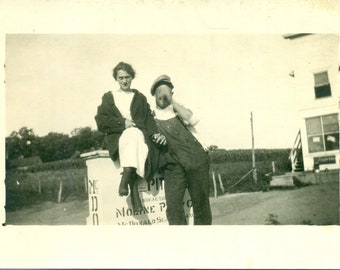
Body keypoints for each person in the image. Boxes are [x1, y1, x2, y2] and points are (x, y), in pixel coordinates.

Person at [95, 62, 166, 212]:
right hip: (118, 139)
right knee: (132, 134)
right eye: (120, 78)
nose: (124, 81)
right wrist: (122, 122)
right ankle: (131, 188)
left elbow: (149, 119)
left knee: (134, 135)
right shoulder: (109, 97)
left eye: (127, 77)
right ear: (116, 79)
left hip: (139, 136)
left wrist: (155, 134)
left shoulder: (139, 97)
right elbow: (101, 121)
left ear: (132, 77)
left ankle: (126, 178)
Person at [150, 75, 212, 225]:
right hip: (172, 165)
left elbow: (193, 119)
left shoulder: (178, 110)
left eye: (166, 92)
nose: (162, 96)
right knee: (173, 208)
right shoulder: (151, 116)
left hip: (196, 159)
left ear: (172, 94)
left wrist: (172, 101)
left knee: (201, 204)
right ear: (154, 95)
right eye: (159, 92)